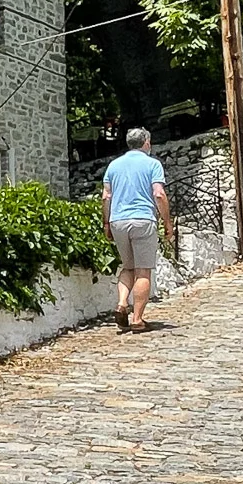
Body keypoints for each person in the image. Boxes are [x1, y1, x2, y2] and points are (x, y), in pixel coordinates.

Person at [102, 127, 174, 334]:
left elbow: (106, 197)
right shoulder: (152, 164)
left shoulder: (113, 166)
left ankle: (122, 303)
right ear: (146, 143)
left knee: (128, 267)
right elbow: (159, 194)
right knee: (143, 269)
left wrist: (106, 223)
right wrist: (167, 222)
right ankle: (137, 319)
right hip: (143, 219)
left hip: (118, 221)